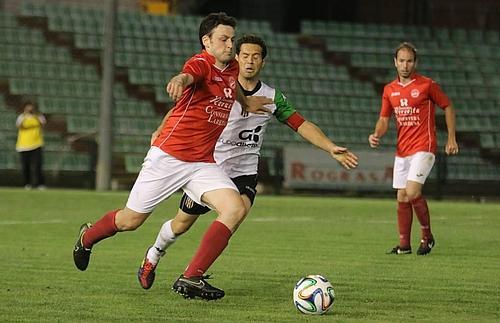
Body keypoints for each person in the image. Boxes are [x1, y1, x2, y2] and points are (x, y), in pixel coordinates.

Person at [137, 34, 359, 295]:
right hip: (210, 168)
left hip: (244, 172)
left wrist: (330, 147)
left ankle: (191, 275)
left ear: (263, 62)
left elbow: (301, 124)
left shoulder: (272, 97)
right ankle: (154, 254)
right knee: (181, 224)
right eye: (244, 55)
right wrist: (160, 130)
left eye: (256, 56)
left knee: (238, 211)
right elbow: (184, 108)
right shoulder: (220, 87)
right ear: (236, 57)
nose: (249, 61)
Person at [72, 12, 272, 301]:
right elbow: (189, 73)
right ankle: (87, 238)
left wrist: (246, 101)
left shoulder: (230, 69)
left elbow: (231, 90)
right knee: (130, 221)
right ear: (207, 41)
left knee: (235, 209)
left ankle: (192, 277)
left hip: (202, 163)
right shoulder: (201, 63)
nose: (230, 45)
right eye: (224, 39)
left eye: (232, 39)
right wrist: (180, 79)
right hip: (169, 158)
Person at [368, 42, 458, 255]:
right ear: (395, 62)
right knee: (402, 196)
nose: (405, 65)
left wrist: (451, 138)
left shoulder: (427, 85)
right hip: (403, 150)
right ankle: (404, 245)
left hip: (424, 146)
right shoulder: (389, 89)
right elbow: (384, 118)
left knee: (412, 191)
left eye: (409, 61)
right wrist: (376, 134)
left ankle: (427, 236)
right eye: (401, 60)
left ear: (415, 62)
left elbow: (448, 106)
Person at [15, 101, 46, 190]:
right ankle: (27, 183)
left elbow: (42, 123)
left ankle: (40, 184)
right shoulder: (21, 117)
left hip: (36, 144)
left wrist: (35, 115)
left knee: (37, 165)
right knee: (25, 166)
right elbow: (19, 125)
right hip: (23, 145)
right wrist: (25, 115)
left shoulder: (38, 116)